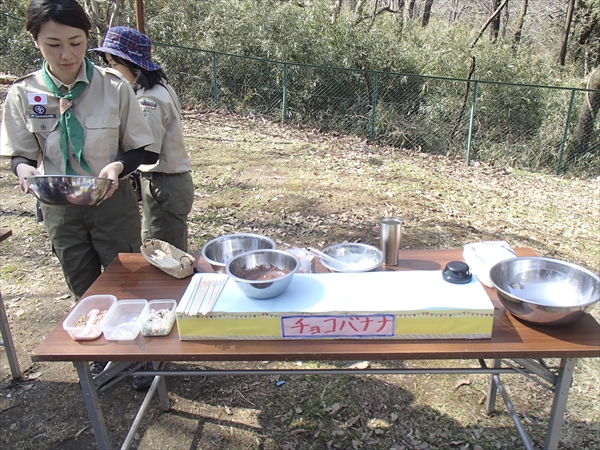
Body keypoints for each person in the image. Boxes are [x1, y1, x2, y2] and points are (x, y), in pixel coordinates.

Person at [0, 0, 158, 300]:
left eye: (76, 42)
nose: (67, 54)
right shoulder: (24, 93)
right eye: (53, 44)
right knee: (83, 294)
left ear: (87, 37)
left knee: (128, 287)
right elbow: (21, 154)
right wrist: (23, 170)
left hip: (111, 204)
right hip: (59, 210)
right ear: (35, 40)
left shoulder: (114, 87)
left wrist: (117, 167)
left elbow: (139, 149)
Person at [91, 26, 195, 252]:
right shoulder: (157, 88)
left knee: (164, 252)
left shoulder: (149, 99)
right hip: (166, 183)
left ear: (133, 65)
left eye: (114, 63)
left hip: (163, 184)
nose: (111, 69)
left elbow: (148, 151)